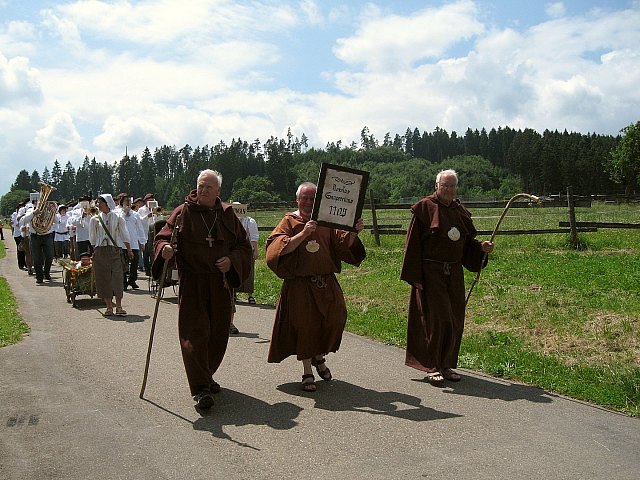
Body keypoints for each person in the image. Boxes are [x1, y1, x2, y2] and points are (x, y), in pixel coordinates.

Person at [153, 169, 252, 410]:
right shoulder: (183, 211)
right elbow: (162, 237)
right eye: (200, 186)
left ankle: (206, 374)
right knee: (194, 335)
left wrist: (231, 261)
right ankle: (200, 389)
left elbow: (244, 247)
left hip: (219, 284)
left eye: (209, 187)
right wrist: (165, 248)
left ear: (218, 191)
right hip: (193, 282)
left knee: (217, 335)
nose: (203, 190)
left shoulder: (227, 215)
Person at [266, 182, 366, 392]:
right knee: (305, 327)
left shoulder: (327, 221)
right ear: (297, 200)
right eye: (305, 198)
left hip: (326, 282)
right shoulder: (289, 220)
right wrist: (302, 234)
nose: (309, 202)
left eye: (313, 198)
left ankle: (319, 357)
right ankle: (307, 371)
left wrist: (354, 233)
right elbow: (276, 250)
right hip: (300, 285)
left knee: (335, 318)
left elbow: (341, 246)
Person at [400, 169, 494, 385]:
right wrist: (415, 276)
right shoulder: (425, 208)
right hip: (430, 273)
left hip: (454, 273)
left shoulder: (460, 211)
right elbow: (412, 244)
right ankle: (432, 365)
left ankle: (446, 364)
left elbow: (468, 243)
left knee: (454, 319)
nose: (449, 189)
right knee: (436, 319)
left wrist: (481, 248)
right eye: (445, 186)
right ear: (436, 186)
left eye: (452, 186)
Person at [89, 194, 134, 317]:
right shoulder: (94, 219)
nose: (98, 205)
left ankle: (119, 306)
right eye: (98, 203)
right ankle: (109, 306)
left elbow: (124, 234)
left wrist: (129, 249)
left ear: (107, 203)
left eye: (100, 203)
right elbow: (92, 238)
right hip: (100, 251)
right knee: (104, 279)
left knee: (117, 278)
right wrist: (95, 251)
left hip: (114, 250)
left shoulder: (118, 217)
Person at [229, 202, 259, 335]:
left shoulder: (249, 221)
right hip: (231, 254)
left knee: (248, 274)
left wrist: (255, 250)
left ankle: (250, 294)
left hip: (244, 252)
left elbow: (253, 238)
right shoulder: (228, 220)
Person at [21, 198, 56, 284]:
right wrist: (33, 213)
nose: (42, 205)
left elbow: (57, 221)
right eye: (40, 203)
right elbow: (23, 220)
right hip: (35, 236)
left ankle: (46, 272)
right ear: (36, 204)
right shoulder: (31, 210)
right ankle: (39, 276)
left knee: (50, 255)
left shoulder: (48, 211)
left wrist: (53, 211)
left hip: (47, 235)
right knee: (36, 257)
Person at [117, 196, 146, 290]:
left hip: (133, 242)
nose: (128, 203)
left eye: (129, 201)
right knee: (123, 264)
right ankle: (123, 282)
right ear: (122, 203)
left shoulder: (135, 214)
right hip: (122, 243)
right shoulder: (117, 213)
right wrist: (124, 212)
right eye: (126, 201)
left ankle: (132, 280)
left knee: (134, 263)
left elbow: (139, 229)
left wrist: (142, 242)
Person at [10, 203, 26, 270]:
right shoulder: (14, 214)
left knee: (26, 249)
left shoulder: (25, 214)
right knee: (20, 249)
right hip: (17, 234)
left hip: (24, 234)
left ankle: (26, 263)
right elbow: (15, 224)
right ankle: (21, 264)